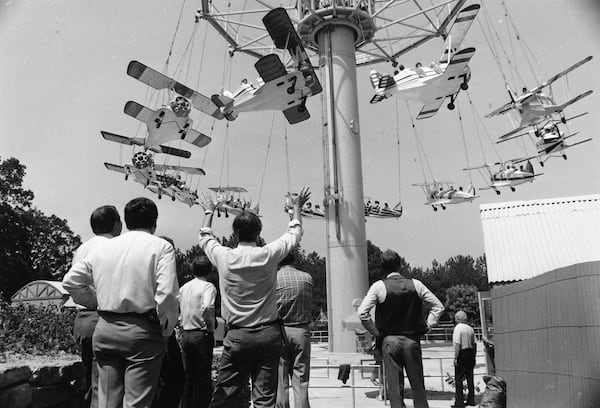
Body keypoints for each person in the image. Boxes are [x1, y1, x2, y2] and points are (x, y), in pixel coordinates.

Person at [197, 187, 310, 408]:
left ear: (235, 233)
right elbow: (294, 234)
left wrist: (209, 211)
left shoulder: (224, 256)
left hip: (237, 335)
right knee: (265, 400)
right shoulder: (267, 255)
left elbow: (205, 237)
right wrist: (296, 209)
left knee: (224, 397)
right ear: (258, 233)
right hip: (268, 334)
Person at [63, 197, 180, 408]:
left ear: (125, 222)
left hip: (105, 327)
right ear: (154, 222)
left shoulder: (104, 247)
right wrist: (166, 330)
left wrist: (96, 302)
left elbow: (71, 282)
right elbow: (168, 294)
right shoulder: (161, 247)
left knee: (106, 402)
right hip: (141, 329)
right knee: (136, 402)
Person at [358, 249, 444, 408]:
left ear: (382, 267)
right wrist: (427, 325)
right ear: (400, 264)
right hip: (412, 340)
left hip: (389, 341)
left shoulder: (378, 287)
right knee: (418, 386)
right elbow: (438, 307)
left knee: (395, 389)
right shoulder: (416, 284)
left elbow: (362, 313)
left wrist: (376, 333)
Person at [69, 205, 122, 408]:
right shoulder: (112, 246)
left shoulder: (82, 248)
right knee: (106, 389)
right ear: (116, 223)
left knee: (91, 385)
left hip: (82, 320)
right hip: (102, 318)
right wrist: (98, 302)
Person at [151, 236, 186, 408]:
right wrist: (165, 331)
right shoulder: (164, 271)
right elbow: (167, 296)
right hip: (160, 329)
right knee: (175, 379)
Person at [276, 250, 313, 408]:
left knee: (280, 382)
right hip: (301, 331)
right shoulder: (307, 278)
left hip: (279, 331)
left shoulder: (272, 279)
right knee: (301, 380)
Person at [179, 255, 218, 408]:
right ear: (209, 270)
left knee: (189, 378)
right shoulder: (208, 287)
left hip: (186, 333)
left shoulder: (184, 287)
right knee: (202, 379)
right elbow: (208, 306)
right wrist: (210, 324)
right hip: (201, 333)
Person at [452, 311, 477, 407]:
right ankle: (471, 400)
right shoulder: (470, 329)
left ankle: (459, 402)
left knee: (459, 378)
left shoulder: (458, 328)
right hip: (470, 352)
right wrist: (474, 357)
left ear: (457, 319)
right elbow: (474, 344)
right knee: (470, 378)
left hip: (462, 353)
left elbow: (458, 344)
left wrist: (455, 357)